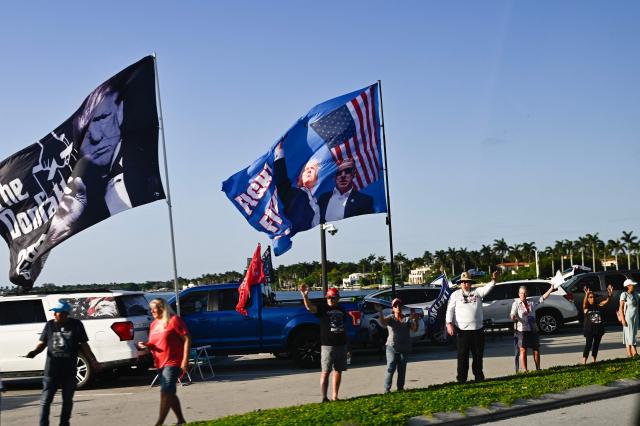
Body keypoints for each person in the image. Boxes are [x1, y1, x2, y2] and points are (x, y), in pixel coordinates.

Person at [47, 85, 129, 246]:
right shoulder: (75, 186)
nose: (111, 130)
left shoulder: (135, 174)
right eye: (101, 119)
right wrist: (61, 227)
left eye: (116, 117)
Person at [25, 300, 99, 426]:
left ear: (65, 313)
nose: (54, 315)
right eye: (54, 312)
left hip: (69, 370)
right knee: (45, 400)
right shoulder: (49, 325)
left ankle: (64, 423)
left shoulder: (76, 325)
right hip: (51, 371)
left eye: (57, 312)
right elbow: (42, 343)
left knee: (67, 400)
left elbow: (84, 345)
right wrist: (34, 352)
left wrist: (93, 360)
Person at [138, 298, 191, 426]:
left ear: (162, 307)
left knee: (166, 391)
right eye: (150, 309)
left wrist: (185, 360)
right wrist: (145, 345)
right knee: (170, 392)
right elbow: (154, 343)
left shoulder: (174, 320)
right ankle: (181, 420)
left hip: (173, 362)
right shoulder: (154, 324)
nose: (151, 311)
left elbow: (187, 338)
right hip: (159, 362)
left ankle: (159, 423)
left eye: (153, 308)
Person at [445, 270, 499, 383]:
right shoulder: (455, 295)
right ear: (460, 283)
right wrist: (449, 324)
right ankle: (461, 379)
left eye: (467, 282)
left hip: (477, 330)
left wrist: (494, 280)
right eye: (463, 282)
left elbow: (486, 289)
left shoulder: (477, 292)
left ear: (470, 283)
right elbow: (450, 310)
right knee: (462, 357)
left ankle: (479, 376)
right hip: (462, 331)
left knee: (478, 356)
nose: (465, 284)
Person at [300, 284, 349, 402]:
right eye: (328, 297)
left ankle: (335, 396)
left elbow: (344, 327)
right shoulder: (323, 309)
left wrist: (348, 345)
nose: (330, 300)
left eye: (333, 298)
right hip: (328, 346)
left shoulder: (342, 309)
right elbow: (310, 308)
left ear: (337, 298)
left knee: (338, 371)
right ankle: (324, 397)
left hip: (341, 345)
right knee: (326, 371)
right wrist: (305, 296)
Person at [273, 140, 320, 233]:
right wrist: (279, 152)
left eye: (312, 169)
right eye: (306, 169)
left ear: (317, 178)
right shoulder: (292, 193)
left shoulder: (324, 196)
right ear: (299, 177)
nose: (309, 171)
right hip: (292, 232)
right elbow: (281, 180)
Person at [375, 298, 419, 393]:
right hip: (391, 348)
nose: (398, 307)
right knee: (391, 367)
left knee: (402, 370)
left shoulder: (407, 319)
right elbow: (383, 323)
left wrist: (416, 319)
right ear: (393, 308)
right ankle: (387, 389)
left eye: (399, 305)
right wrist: (380, 312)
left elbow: (414, 329)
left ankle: (400, 389)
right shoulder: (391, 318)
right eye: (395, 306)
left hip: (404, 348)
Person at [510, 284, 555, 372]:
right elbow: (512, 314)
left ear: (527, 294)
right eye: (521, 293)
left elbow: (543, 297)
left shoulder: (531, 301)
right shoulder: (516, 304)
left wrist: (551, 289)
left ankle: (538, 368)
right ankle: (526, 370)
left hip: (533, 328)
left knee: (536, 349)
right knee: (523, 350)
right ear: (519, 294)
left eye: (525, 293)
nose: (523, 295)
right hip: (522, 329)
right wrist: (514, 317)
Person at [318, 159, 373, 223]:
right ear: (334, 175)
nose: (343, 175)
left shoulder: (364, 201)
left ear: (354, 174)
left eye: (347, 171)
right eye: (339, 172)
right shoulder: (323, 199)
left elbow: (367, 226)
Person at [582, 284, 613, 364]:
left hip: (599, 330)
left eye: (593, 297)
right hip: (589, 330)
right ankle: (584, 361)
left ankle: (594, 360)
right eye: (590, 297)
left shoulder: (598, 306)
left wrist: (609, 294)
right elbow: (584, 303)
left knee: (596, 345)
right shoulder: (586, 308)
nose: (592, 299)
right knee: (588, 345)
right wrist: (586, 295)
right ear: (588, 299)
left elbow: (607, 301)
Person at [619, 279, 639, 357]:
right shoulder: (624, 294)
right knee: (630, 335)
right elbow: (621, 307)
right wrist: (623, 319)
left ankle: (629, 354)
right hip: (628, 318)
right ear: (628, 286)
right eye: (632, 285)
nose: (634, 286)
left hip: (635, 317)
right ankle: (635, 352)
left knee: (632, 334)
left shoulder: (635, 294)